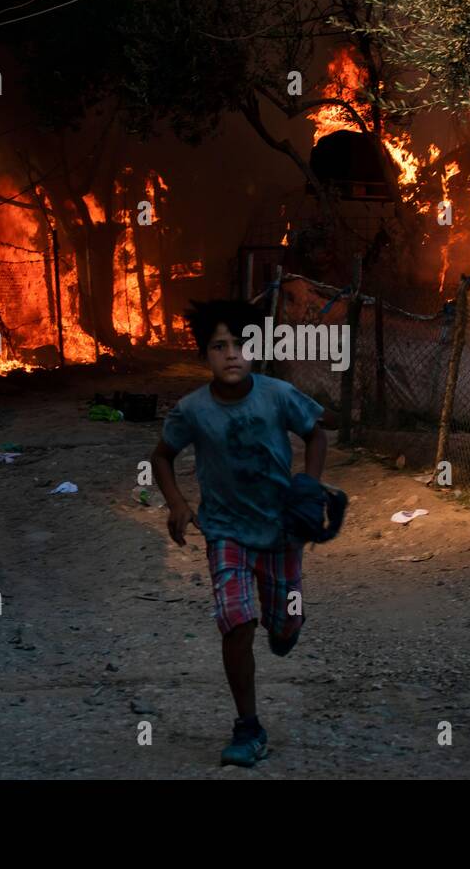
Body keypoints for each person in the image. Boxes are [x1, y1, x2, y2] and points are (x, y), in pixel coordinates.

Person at [150, 298, 327, 767]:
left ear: (257, 350)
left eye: (242, 344)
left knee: (283, 623)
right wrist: (178, 503)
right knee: (236, 622)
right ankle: (248, 726)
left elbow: (316, 432)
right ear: (204, 355)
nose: (232, 354)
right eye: (219, 346)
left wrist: (308, 484)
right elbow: (162, 456)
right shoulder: (192, 410)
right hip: (225, 531)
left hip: (281, 530)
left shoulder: (276, 395)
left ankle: (287, 627)